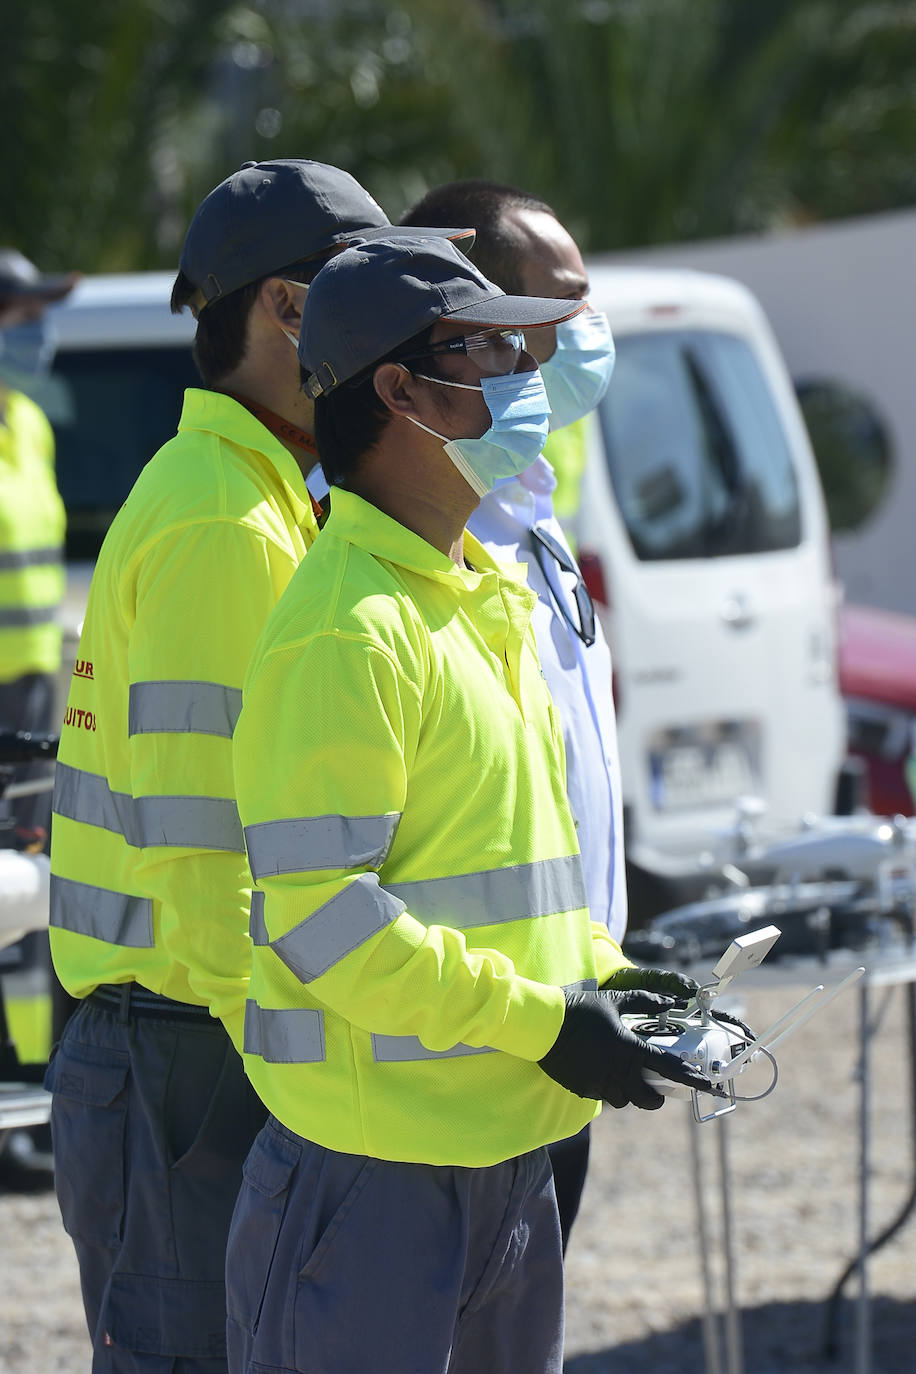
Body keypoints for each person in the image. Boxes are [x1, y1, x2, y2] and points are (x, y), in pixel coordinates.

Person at [226, 234, 710, 1374]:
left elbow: (514, 872)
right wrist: (548, 1023)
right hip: (374, 1178)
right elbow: (323, 923)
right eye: (487, 347)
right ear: (398, 390)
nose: (523, 367)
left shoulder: (478, 592)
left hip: (507, 1157)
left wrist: (603, 971)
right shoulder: (345, 628)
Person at [44, 159, 472, 1374]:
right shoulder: (227, 522)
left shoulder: (256, 498)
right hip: (193, 1052)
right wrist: (309, 1075)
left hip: (185, 1048)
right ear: (290, 309)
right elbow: (204, 867)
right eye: (362, 289)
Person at [402, 178, 626, 1246]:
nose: (592, 330)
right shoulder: (437, 540)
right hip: (476, 1043)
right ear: (487, 323)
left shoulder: (527, 519)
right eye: (568, 303)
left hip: (561, 1018)